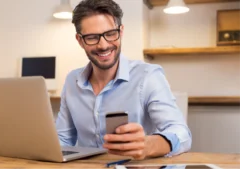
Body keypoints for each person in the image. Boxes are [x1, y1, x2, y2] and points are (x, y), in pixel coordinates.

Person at [56, 0, 192, 160]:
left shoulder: (148, 76)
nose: (103, 45)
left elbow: (181, 133)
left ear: (121, 32)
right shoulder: (72, 81)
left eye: (110, 34)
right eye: (92, 37)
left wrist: (149, 145)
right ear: (80, 40)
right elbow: (63, 140)